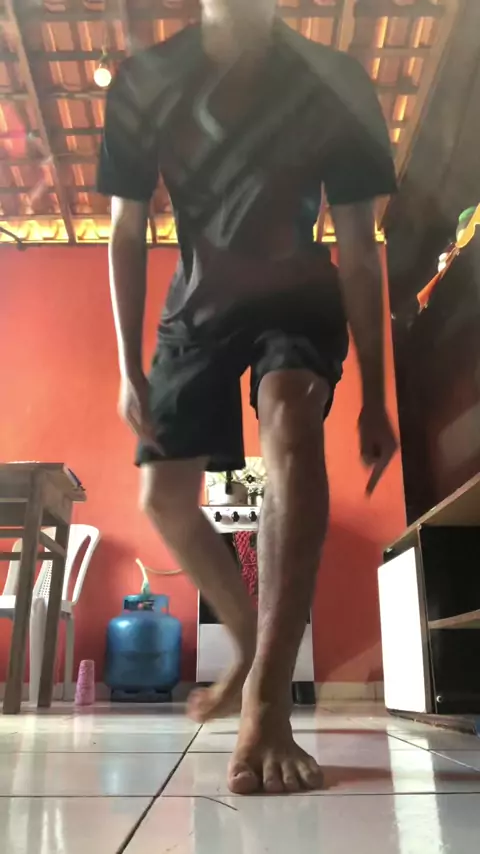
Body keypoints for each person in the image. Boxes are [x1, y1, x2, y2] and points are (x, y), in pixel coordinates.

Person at [98, 0, 398, 795]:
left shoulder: (336, 80)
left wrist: (374, 393)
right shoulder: (145, 79)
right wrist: (128, 367)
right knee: (163, 497)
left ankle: (267, 697)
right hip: (196, 306)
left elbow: (360, 247)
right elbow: (127, 229)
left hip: (299, 299)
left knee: (291, 418)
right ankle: (246, 639)